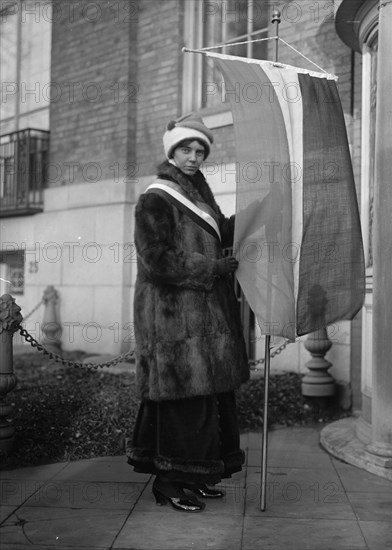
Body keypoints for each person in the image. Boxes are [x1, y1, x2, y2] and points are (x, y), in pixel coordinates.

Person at [127, 112, 249, 512]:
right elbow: (157, 260)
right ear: (172, 151)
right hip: (172, 320)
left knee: (208, 401)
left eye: (200, 151)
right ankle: (171, 484)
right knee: (183, 405)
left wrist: (257, 213)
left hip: (205, 317)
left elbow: (217, 235)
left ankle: (196, 477)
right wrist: (211, 269)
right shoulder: (156, 198)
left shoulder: (198, 193)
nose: (195, 157)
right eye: (187, 149)